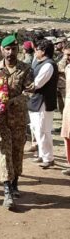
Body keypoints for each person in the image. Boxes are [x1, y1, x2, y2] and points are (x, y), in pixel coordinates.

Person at [0, 35, 34, 209]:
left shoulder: (26, 69)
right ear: (1, 50)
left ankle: (15, 181)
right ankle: (7, 189)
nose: (10, 52)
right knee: (5, 151)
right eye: (7, 49)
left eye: (13, 49)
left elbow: (30, 91)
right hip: (1, 119)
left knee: (17, 151)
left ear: (18, 50)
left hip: (19, 118)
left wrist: (14, 101)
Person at [28, 39, 58, 169]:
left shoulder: (48, 65)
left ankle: (48, 158)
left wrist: (25, 87)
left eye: (37, 49)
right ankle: (42, 154)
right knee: (36, 129)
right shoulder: (40, 63)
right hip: (36, 101)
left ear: (43, 51)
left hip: (44, 102)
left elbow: (37, 83)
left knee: (43, 130)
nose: (35, 51)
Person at [60, 44, 70, 176]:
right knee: (67, 136)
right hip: (68, 105)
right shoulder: (67, 67)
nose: (68, 57)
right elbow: (58, 67)